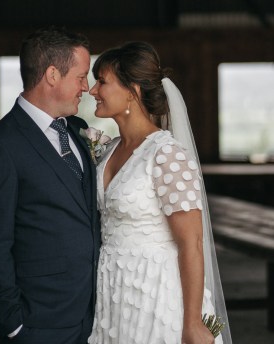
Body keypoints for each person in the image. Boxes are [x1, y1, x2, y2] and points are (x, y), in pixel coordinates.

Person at [87, 41, 232, 344]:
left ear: (133, 90)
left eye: (102, 81)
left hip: (156, 294)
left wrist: (191, 322)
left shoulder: (167, 155)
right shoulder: (110, 149)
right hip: (113, 289)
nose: (93, 90)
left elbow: (191, 242)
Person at [0, 27, 100, 344]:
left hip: (92, 317)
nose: (87, 87)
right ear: (53, 75)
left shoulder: (78, 130)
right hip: (37, 323)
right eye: (81, 76)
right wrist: (13, 323)